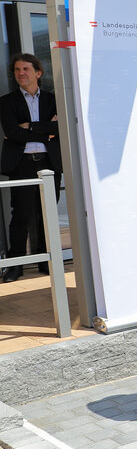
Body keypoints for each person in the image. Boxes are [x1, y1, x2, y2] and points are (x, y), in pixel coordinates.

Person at [0, 54, 61, 282]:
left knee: (47, 214)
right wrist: (46, 131)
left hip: (49, 163)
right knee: (21, 215)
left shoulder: (53, 99)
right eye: (17, 69)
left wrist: (31, 127)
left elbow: (60, 128)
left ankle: (46, 261)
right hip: (22, 164)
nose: (21, 73)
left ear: (38, 73)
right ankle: (15, 265)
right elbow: (12, 132)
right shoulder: (6, 102)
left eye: (26, 69)